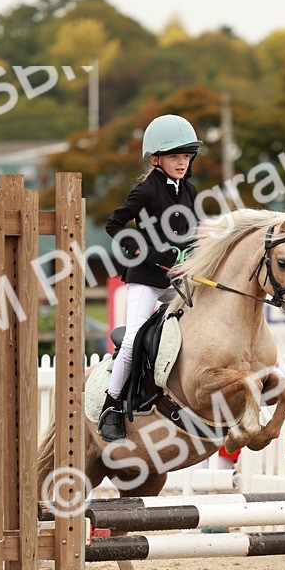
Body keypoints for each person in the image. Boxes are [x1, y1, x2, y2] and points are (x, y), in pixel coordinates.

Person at [99, 114, 202, 441]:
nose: (182, 162)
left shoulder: (190, 191)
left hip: (174, 282)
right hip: (145, 279)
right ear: (157, 159)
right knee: (131, 342)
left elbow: (195, 234)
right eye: (175, 156)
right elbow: (114, 225)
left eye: (186, 156)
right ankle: (111, 405)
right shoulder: (146, 191)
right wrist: (139, 249)